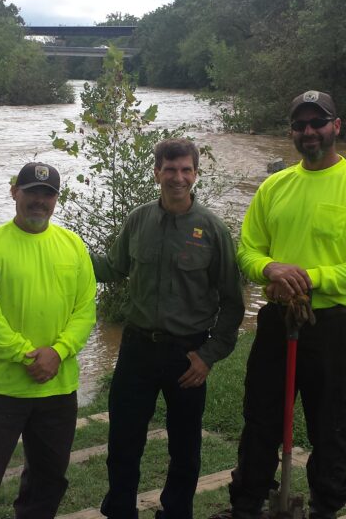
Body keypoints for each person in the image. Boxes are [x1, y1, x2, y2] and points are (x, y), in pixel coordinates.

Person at [217, 91, 346, 519]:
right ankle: (248, 503)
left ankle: (325, 507)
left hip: (336, 325)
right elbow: (248, 252)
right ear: (291, 132)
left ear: (337, 126)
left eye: (318, 122)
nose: (309, 132)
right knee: (261, 416)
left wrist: (311, 278)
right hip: (278, 321)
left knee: (330, 421)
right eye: (300, 125)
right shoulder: (275, 186)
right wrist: (271, 269)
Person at [93, 138, 246, 519]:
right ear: (157, 171)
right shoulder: (138, 220)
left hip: (188, 354)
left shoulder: (212, 230)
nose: (178, 177)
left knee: (185, 447)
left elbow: (232, 302)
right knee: (123, 440)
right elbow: (113, 268)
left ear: (195, 173)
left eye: (185, 170)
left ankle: (176, 513)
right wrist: (62, 250)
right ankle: (120, 511)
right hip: (137, 348)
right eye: (170, 169)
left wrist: (208, 356)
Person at [0, 162, 97, 519]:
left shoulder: (73, 245)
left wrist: (59, 352)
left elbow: (85, 312)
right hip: (4, 388)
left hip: (58, 388)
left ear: (56, 200)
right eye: (31, 191)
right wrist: (27, 355)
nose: (39, 200)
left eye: (47, 194)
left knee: (49, 479)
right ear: (14, 191)